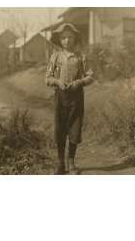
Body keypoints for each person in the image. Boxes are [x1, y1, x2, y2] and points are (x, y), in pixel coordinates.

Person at [45, 23, 94, 174]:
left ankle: (71, 162)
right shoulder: (56, 56)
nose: (67, 40)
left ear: (75, 38)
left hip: (76, 97)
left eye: (70, 37)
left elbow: (90, 76)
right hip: (60, 97)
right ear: (60, 40)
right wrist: (58, 82)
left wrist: (79, 82)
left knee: (74, 128)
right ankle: (60, 163)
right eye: (64, 38)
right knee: (60, 129)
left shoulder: (81, 57)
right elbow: (47, 78)